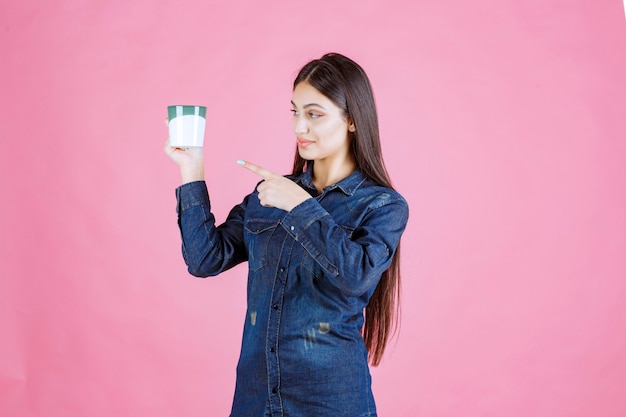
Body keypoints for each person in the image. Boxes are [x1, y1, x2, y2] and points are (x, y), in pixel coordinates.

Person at [165, 53, 409, 417]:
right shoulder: (270, 193)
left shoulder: (382, 206)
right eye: (294, 112)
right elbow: (204, 260)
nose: (299, 128)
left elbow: (356, 276)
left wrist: (301, 207)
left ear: (353, 121)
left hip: (331, 402)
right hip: (256, 398)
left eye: (314, 114)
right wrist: (191, 170)